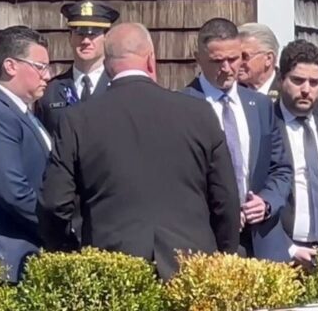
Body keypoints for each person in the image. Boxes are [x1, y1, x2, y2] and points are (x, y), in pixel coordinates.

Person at [39, 23, 240, 279]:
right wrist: (223, 257)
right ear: (150, 60)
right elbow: (225, 199)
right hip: (192, 267)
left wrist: (67, 252)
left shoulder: (78, 120)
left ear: (108, 65)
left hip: (113, 268)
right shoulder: (199, 114)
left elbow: (54, 202)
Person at [183, 18, 292, 262]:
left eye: (233, 59)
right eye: (216, 61)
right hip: (208, 243)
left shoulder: (261, 106)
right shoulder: (181, 106)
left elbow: (281, 169)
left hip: (262, 244)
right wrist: (223, 211)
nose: (227, 68)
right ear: (198, 58)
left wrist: (266, 202)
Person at [0, 26, 51, 282]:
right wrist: (56, 226)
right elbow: (12, 189)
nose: (48, 75)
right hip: (6, 259)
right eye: (40, 66)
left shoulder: (24, 114)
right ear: (11, 66)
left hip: (28, 253)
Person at [274, 39, 318, 266]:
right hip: (280, 250)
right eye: (298, 80)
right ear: (280, 78)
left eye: (314, 82)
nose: (306, 89)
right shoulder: (264, 125)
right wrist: (288, 247)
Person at [35, 0, 119, 132]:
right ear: (70, 38)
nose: (86, 41)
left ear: (106, 38)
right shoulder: (50, 91)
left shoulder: (118, 87)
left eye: (93, 34)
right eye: (80, 33)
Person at [236, 23, 281, 99]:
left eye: (244, 56)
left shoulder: (286, 91)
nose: (238, 62)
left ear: (268, 59)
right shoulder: (230, 91)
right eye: (235, 56)